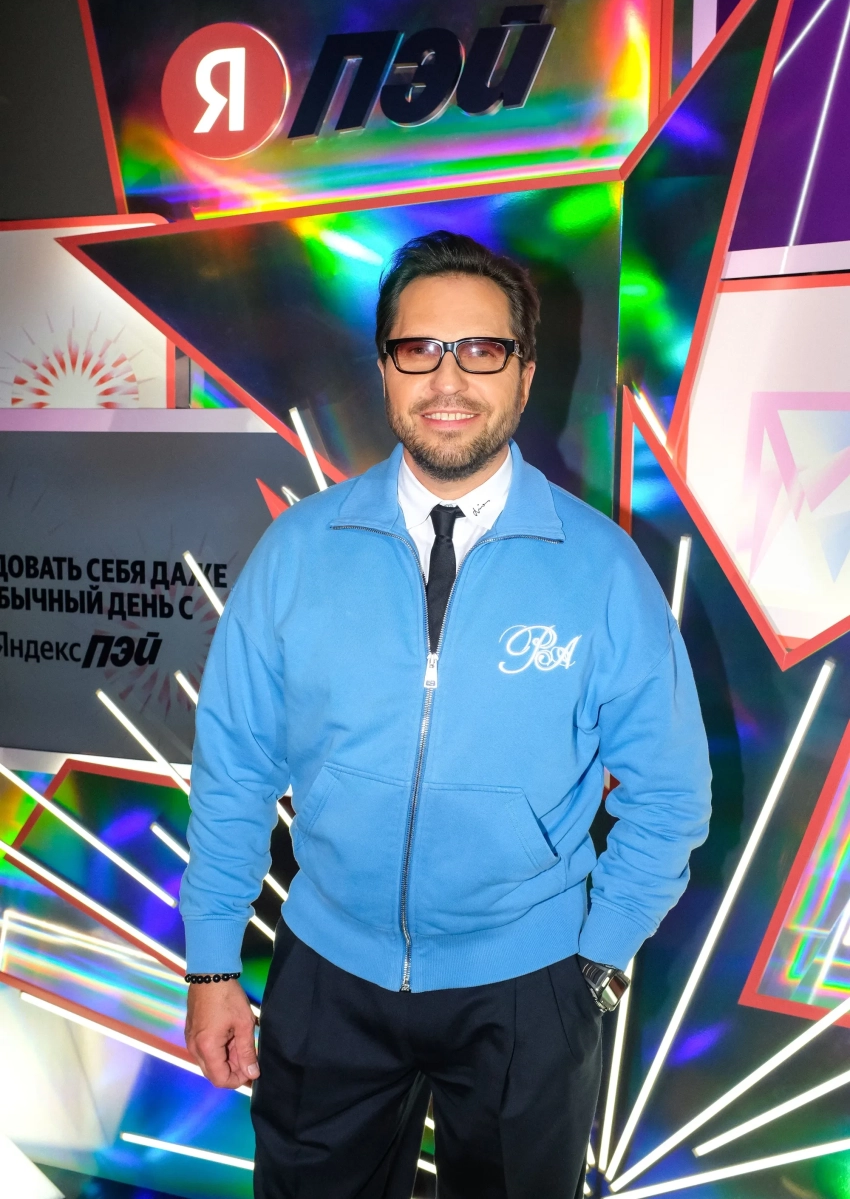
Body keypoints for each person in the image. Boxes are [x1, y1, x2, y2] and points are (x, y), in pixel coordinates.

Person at [180, 230, 712, 1199]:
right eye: (419, 348)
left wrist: (593, 964)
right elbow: (234, 768)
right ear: (385, 369)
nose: (449, 378)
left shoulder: (601, 569)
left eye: (483, 349)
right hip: (327, 972)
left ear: (525, 374)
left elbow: (671, 793)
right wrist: (212, 961)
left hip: (528, 985)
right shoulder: (298, 551)